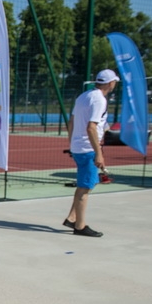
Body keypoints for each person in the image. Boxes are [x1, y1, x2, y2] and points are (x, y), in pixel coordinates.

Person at [63, 69, 118, 238]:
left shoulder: (84, 96)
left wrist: (72, 142)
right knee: (85, 188)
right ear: (110, 83)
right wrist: (98, 153)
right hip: (87, 148)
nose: (115, 84)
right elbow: (91, 127)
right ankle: (80, 226)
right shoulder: (99, 100)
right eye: (114, 81)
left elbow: (72, 121)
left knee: (85, 184)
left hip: (79, 147)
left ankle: (72, 218)